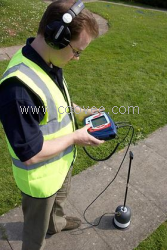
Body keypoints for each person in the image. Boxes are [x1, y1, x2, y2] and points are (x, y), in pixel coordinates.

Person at [0, 0, 105, 249]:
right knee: (35, 235)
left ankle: (55, 223)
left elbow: (53, 100)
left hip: (60, 165)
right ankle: (42, 232)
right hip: (41, 179)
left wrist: (79, 113)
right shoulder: (18, 90)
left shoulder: (48, 60)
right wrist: (75, 137)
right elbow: (30, 154)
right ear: (56, 38)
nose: (77, 58)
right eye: (77, 51)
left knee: (59, 200)